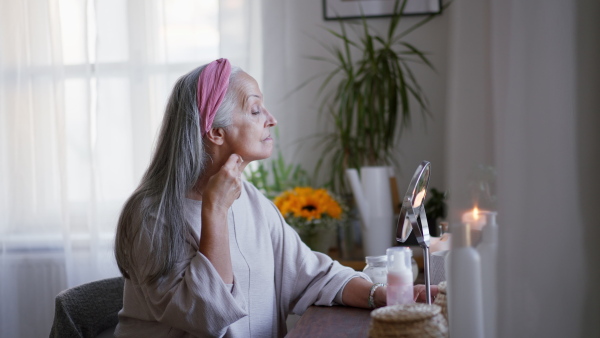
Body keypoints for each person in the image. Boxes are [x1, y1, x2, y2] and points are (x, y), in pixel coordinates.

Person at [114, 58, 436, 337]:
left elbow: (310, 273)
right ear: (215, 131)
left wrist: (383, 294)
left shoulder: (251, 200)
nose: (271, 118)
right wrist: (214, 210)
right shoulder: (152, 216)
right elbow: (208, 317)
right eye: (255, 109)